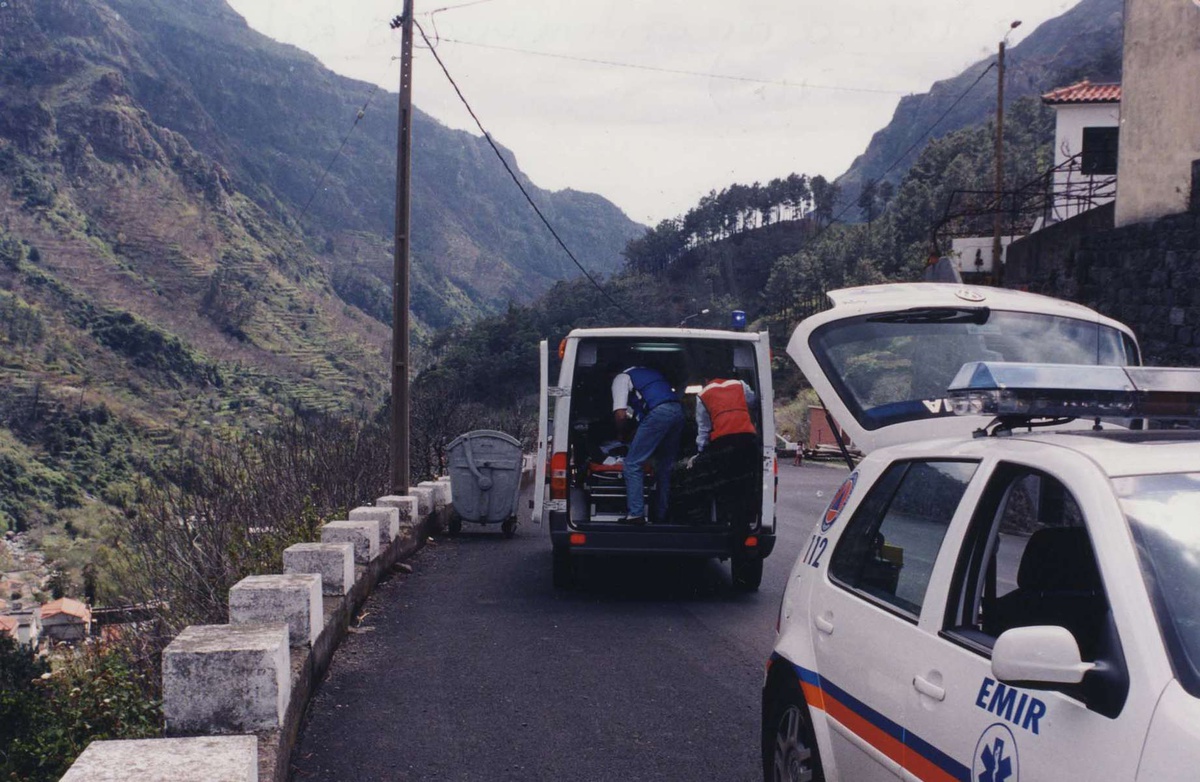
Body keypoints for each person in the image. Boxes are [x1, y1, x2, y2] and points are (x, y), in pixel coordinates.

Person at [612, 365, 685, 525]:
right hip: (677, 411)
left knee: (632, 463)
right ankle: (662, 514)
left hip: (659, 413)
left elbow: (621, 414)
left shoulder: (620, 378)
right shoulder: (651, 373)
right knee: (665, 466)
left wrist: (621, 435)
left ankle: (636, 514)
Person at [691, 376, 760, 528]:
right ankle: (744, 520)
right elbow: (753, 402)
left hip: (723, 442)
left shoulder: (703, 395)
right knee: (746, 482)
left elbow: (704, 427)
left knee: (727, 483)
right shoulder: (740, 384)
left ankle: (726, 520)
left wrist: (700, 451)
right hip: (747, 438)